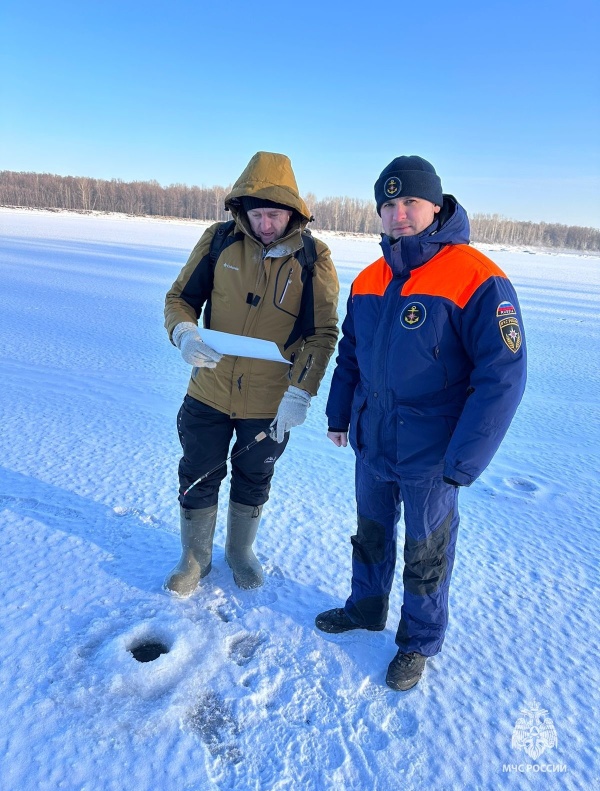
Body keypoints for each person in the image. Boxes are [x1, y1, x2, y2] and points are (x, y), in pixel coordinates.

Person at [317, 155, 526, 690]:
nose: (398, 214)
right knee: (371, 533)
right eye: (388, 205)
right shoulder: (369, 278)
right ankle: (365, 608)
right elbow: (351, 356)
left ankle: (418, 641)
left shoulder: (478, 277)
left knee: (426, 550)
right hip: (373, 440)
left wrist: (465, 460)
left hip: (433, 453)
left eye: (409, 202)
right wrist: (340, 415)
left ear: (436, 204)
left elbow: (502, 377)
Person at [164, 151, 339, 594]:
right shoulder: (218, 241)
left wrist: (300, 394)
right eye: (258, 213)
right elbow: (180, 299)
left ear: (293, 214)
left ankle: (239, 553)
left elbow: (321, 334)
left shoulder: (314, 258)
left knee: (254, 475)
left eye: (275, 215)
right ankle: (194, 558)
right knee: (199, 470)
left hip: (269, 401)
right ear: (243, 209)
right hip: (208, 389)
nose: (266, 224)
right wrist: (185, 333)